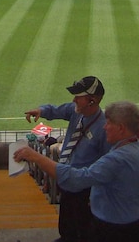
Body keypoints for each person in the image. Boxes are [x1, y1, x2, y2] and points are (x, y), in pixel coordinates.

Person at [14, 101, 139, 242]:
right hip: (138, 219)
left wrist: (36, 157)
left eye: (109, 123)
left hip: (113, 228)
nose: (104, 127)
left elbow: (77, 179)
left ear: (121, 128)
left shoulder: (116, 159)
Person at [24, 76, 108, 242]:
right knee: (66, 223)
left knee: (81, 229)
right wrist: (41, 111)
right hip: (67, 181)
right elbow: (56, 110)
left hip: (84, 189)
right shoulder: (76, 112)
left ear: (92, 100)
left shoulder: (104, 128)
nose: (74, 99)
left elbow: (106, 166)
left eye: (79, 96)